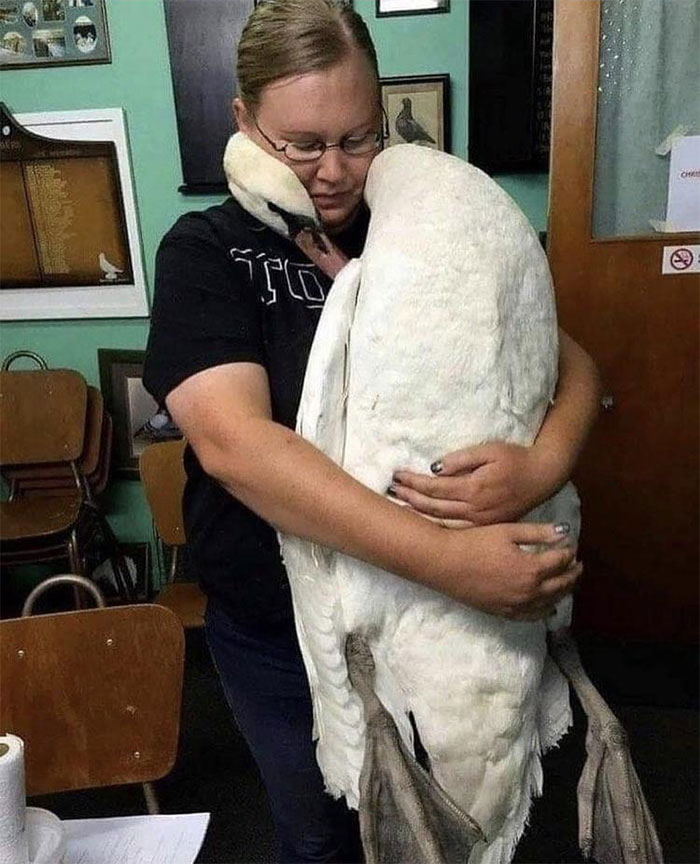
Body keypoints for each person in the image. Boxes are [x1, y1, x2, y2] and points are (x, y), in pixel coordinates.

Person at [143, 1, 600, 861]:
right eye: (300, 144)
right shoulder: (208, 252)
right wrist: (451, 562)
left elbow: (569, 361)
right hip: (283, 623)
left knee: (464, 818)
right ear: (245, 120)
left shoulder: (424, 226)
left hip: (442, 618)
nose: (331, 171)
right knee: (323, 831)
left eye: (355, 139)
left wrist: (542, 464)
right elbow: (235, 448)